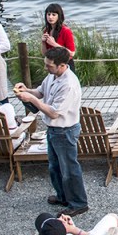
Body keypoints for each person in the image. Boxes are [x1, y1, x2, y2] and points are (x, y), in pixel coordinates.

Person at [15, 46, 88, 216]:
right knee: (54, 166)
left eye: (50, 65)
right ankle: (63, 196)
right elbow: (40, 92)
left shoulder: (69, 85)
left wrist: (31, 99)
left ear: (62, 65)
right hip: (54, 130)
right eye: (46, 64)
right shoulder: (53, 75)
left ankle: (79, 202)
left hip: (65, 130)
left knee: (69, 168)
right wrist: (27, 90)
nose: (46, 68)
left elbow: (54, 112)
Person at [41, 3, 76, 72]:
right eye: (48, 14)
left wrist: (54, 44)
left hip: (65, 65)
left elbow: (72, 53)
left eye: (54, 15)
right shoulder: (46, 30)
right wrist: (43, 42)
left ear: (59, 16)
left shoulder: (66, 31)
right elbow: (45, 53)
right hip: (52, 65)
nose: (50, 17)